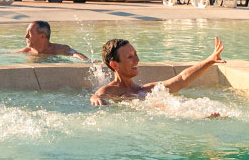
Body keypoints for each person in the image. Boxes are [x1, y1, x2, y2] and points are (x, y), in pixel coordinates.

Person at [91, 36, 224, 105]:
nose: (137, 60)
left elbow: (181, 79)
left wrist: (210, 60)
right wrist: (95, 98)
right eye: (130, 57)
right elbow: (98, 95)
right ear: (114, 65)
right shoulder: (112, 91)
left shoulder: (145, 90)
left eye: (136, 54)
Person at [15, 21, 88, 61]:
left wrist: (86, 61)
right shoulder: (27, 51)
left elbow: (75, 54)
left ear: (42, 36)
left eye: (30, 33)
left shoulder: (58, 49)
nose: (26, 36)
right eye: (26, 33)